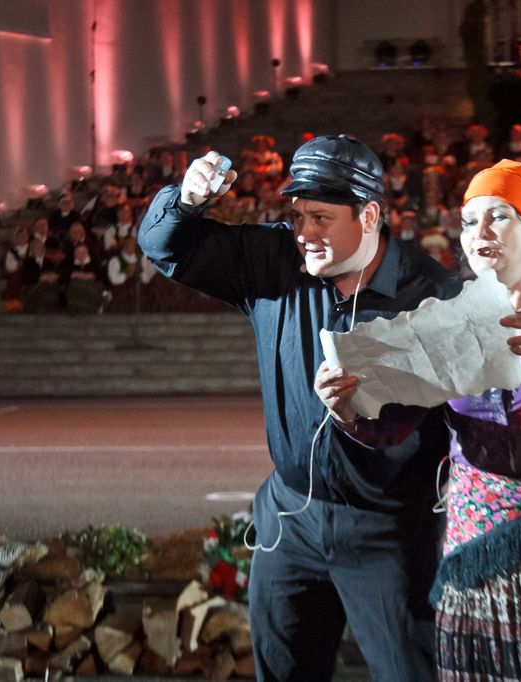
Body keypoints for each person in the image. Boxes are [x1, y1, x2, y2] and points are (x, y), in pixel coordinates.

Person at [138, 135, 460, 681]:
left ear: (369, 215)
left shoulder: (431, 296)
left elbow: (460, 425)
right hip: (290, 519)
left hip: (389, 531)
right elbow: (165, 248)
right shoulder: (274, 260)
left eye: (320, 218)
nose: (303, 233)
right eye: (297, 216)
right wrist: (186, 201)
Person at [316, 159, 521, 681]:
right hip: (480, 531)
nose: (480, 233)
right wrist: (345, 409)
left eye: (500, 216)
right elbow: (393, 426)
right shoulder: (448, 316)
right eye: (470, 221)